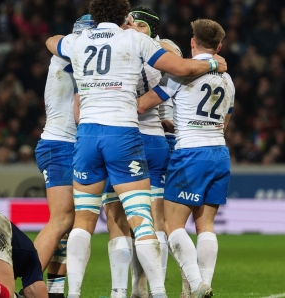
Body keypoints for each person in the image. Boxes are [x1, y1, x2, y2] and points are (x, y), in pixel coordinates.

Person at [44, 0, 227, 296]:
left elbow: (52, 41)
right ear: (124, 16)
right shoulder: (135, 39)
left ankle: (75, 293)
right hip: (124, 134)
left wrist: (59, 41)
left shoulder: (77, 41)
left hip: (87, 135)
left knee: (84, 220)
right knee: (143, 220)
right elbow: (179, 68)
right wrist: (211, 62)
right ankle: (156, 292)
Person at [138, 19, 234, 298]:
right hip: (219, 152)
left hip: (190, 154)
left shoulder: (180, 75)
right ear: (219, 46)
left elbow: (144, 104)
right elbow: (224, 122)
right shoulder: (228, 79)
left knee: (172, 225)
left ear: (192, 43)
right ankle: (203, 283)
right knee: (206, 226)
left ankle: (195, 284)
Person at [101, 6, 183, 298]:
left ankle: (128, 290)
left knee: (120, 219)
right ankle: (144, 287)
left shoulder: (120, 51)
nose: (131, 28)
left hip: (125, 138)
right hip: (153, 138)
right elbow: (177, 78)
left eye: (138, 25)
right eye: (129, 24)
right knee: (151, 219)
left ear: (150, 29)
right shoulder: (163, 52)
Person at [33, 14, 94, 298]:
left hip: (68, 144)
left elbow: (52, 40)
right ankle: (19, 283)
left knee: (70, 224)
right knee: (62, 219)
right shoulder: (75, 54)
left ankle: (54, 290)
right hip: (60, 144)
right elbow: (53, 40)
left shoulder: (70, 52)